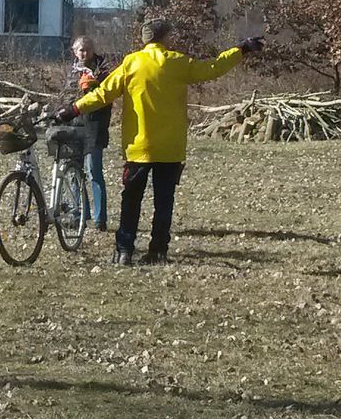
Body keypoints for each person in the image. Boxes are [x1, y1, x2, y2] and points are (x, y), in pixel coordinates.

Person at [57, 19, 263, 265]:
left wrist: (73, 109)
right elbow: (213, 67)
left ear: (145, 39)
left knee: (131, 200)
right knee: (164, 201)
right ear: (165, 37)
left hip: (138, 148)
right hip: (170, 148)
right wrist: (242, 49)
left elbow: (102, 94)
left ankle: (123, 250)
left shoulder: (131, 63)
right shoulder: (177, 62)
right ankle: (158, 251)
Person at [68, 36, 112, 231]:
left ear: (93, 50)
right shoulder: (72, 72)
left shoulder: (102, 71)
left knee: (94, 171)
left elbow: (104, 97)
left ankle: (99, 218)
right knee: (73, 171)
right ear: (74, 52)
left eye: (87, 49)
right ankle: (80, 213)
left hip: (94, 126)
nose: (84, 53)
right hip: (74, 126)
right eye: (80, 50)